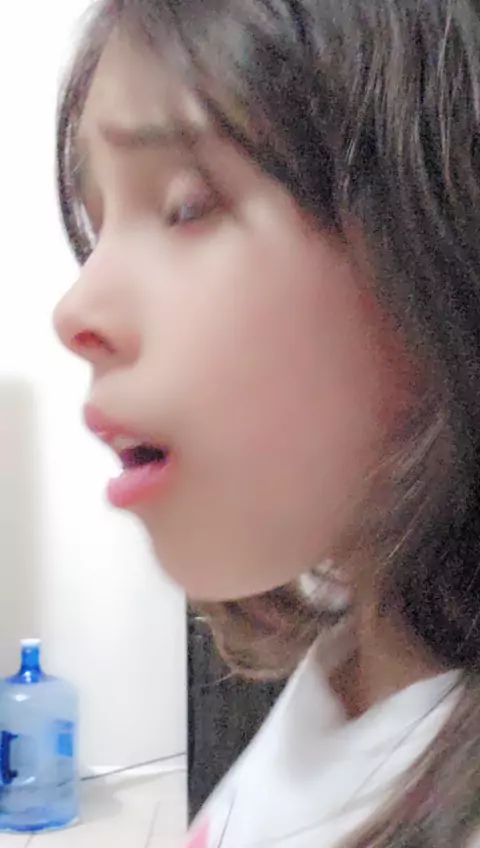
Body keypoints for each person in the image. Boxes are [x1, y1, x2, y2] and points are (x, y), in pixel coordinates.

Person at [53, 0, 480, 845]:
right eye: (97, 229)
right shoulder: (358, 675)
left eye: (186, 205)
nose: (75, 311)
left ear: (435, 243)